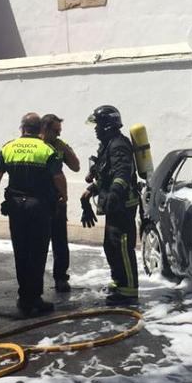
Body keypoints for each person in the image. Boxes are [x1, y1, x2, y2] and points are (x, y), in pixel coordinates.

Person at [0, 113, 67, 316]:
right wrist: (64, 196)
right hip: (39, 207)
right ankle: (35, 298)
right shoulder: (46, 150)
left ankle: (24, 297)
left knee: (21, 252)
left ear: (22, 128)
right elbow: (58, 176)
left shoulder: (8, 147)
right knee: (37, 253)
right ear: (40, 130)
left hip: (16, 208)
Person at [83, 105, 140, 306]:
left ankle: (130, 290)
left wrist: (114, 195)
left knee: (123, 246)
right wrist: (92, 189)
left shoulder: (118, 145)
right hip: (112, 204)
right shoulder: (108, 144)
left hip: (123, 204)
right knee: (111, 245)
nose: (95, 129)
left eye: (97, 125)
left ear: (107, 125)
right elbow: (106, 175)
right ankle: (119, 282)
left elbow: (122, 173)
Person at [40, 114, 80, 292]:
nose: (58, 134)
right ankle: (35, 279)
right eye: (55, 131)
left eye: (59, 131)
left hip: (56, 201)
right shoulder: (36, 146)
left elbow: (76, 166)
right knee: (38, 242)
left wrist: (65, 148)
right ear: (44, 129)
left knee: (60, 242)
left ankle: (61, 278)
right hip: (39, 200)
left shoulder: (59, 145)